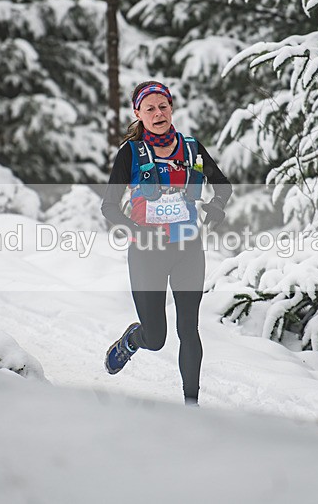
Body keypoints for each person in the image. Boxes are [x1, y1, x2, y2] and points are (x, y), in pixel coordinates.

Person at [101, 80, 232, 405]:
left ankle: (191, 405)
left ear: (171, 108)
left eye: (163, 106)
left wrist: (216, 206)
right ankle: (133, 340)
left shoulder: (191, 149)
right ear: (138, 114)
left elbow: (223, 185)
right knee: (156, 337)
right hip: (147, 253)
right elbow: (109, 207)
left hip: (188, 250)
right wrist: (135, 229)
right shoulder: (130, 153)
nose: (158, 113)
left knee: (188, 328)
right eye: (150, 109)